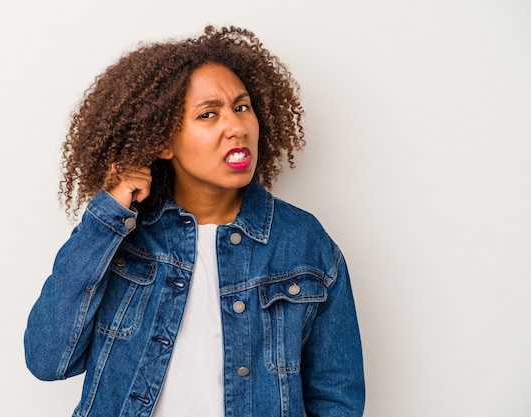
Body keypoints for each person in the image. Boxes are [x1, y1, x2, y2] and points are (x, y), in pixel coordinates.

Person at [24, 25, 365, 417]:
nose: (236, 127)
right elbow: (48, 361)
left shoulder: (303, 244)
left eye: (241, 107)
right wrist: (107, 217)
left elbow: (337, 398)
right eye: (208, 114)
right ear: (161, 141)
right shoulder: (120, 236)